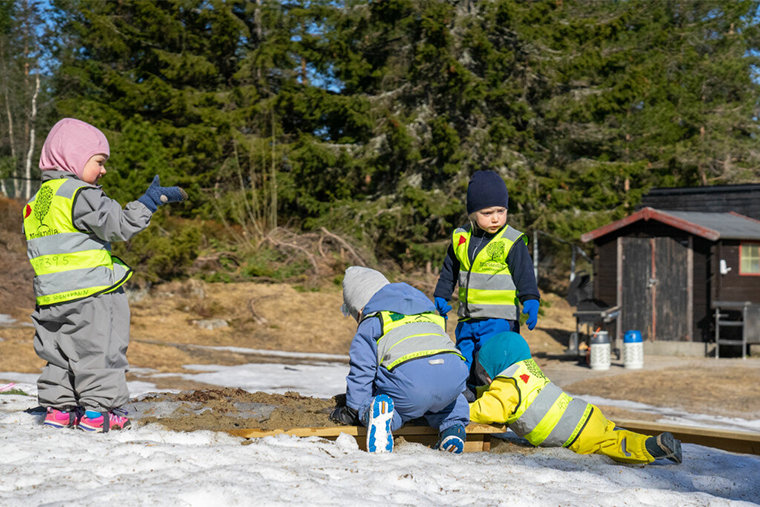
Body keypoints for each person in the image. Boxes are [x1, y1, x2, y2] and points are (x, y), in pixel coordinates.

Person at [22, 118, 187, 433]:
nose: (103, 170)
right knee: (101, 351)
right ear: (74, 157)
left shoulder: (36, 204)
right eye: (98, 161)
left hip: (50, 298)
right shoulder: (80, 194)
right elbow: (119, 225)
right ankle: (100, 412)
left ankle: (59, 409)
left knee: (58, 354)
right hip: (92, 294)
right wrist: (150, 201)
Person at [469, 332, 683, 465]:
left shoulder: (507, 386)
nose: (487, 381)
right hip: (582, 412)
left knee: (612, 444)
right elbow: (509, 399)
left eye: (486, 374)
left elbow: (490, 409)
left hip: (575, 431)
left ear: (499, 365)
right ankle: (665, 445)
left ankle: (651, 448)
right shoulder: (526, 371)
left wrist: (464, 408)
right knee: (610, 432)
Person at [329, 266, 471, 454]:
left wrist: (354, 409)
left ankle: (380, 419)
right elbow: (443, 350)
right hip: (452, 378)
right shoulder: (428, 315)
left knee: (391, 407)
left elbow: (362, 370)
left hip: (410, 386)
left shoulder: (374, 320)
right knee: (451, 404)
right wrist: (462, 388)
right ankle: (453, 431)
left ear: (362, 307)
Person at [434, 170, 540, 372]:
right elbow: (450, 270)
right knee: (463, 366)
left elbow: (524, 274)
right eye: (487, 213)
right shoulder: (461, 238)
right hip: (467, 320)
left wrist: (531, 298)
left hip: (499, 320)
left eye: (501, 211)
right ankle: (467, 402)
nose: (495, 219)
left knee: (490, 366)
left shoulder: (511, 240)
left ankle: (493, 401)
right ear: (473, 213)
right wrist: (441, 295)